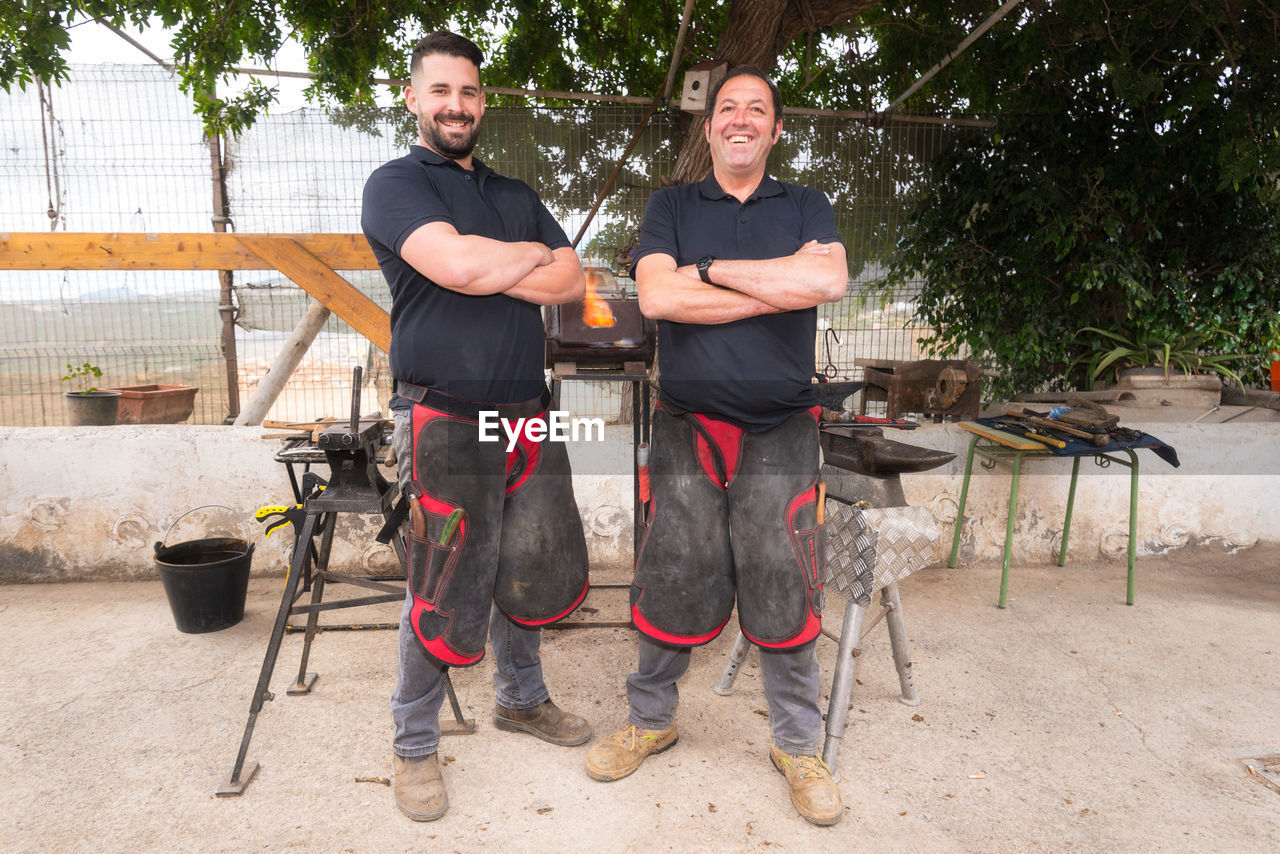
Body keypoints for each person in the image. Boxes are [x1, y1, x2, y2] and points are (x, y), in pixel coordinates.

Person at [584, 65, 850, 826]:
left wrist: (710, 274)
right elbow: (659, 298)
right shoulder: (671, 204)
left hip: (784, 428)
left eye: (755, 109)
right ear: (710, 128)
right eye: (726, 108)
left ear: (774, 128)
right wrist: (776, 284)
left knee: (786, 582)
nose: (740, 119)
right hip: (687, 426)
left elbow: (827, 282)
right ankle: (651, 718)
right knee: (670, 573)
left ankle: (798, 745)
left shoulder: (807, 203)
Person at [361, 31, 592, 822]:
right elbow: (457, 269)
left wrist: (503, 259)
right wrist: (526, 256)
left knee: (522, 561)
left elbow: (573, 280)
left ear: (482, 100)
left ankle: (521, 698)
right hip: (439, 412)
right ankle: (413, 743)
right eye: (441, 92)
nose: (456, 105)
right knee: (443, 576)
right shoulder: (394, 186)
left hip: (525, 407)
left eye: (469, 92)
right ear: (413, 98)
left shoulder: (515, 190)